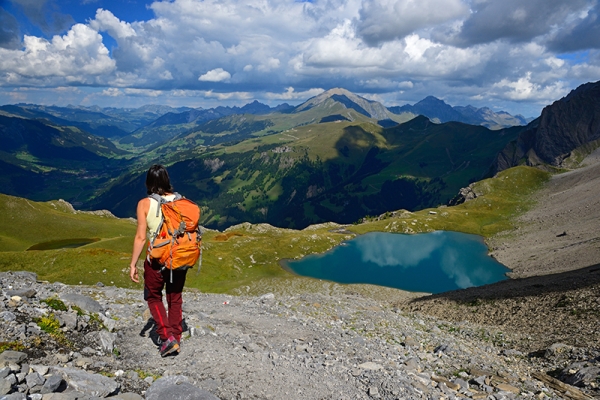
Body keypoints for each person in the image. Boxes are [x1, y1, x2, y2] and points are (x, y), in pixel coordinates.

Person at [129, 164, 187, 357]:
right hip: (179, 258)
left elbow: (140, 237)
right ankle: (176, 337)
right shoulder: (181, 201)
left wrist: (133, 264)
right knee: (174, 297)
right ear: (166, 180)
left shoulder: (144, 204)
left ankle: (166, 337)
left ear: (148, 182)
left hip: (156, 260)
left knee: (153, 296)